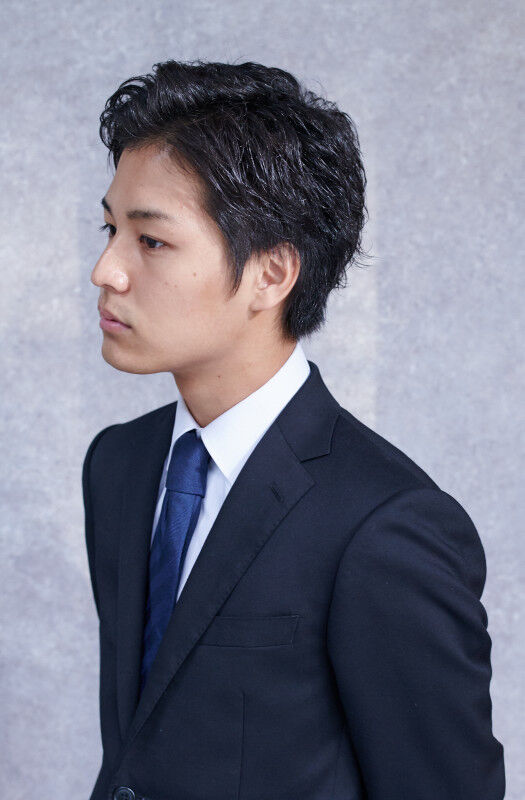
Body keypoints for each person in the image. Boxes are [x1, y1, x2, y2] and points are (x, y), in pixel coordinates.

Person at [82, 59, 505, 800]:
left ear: (272, 273)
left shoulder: (384, 526)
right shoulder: (119, 465)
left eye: (150, 241)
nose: (105, 270)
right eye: (110, 228)